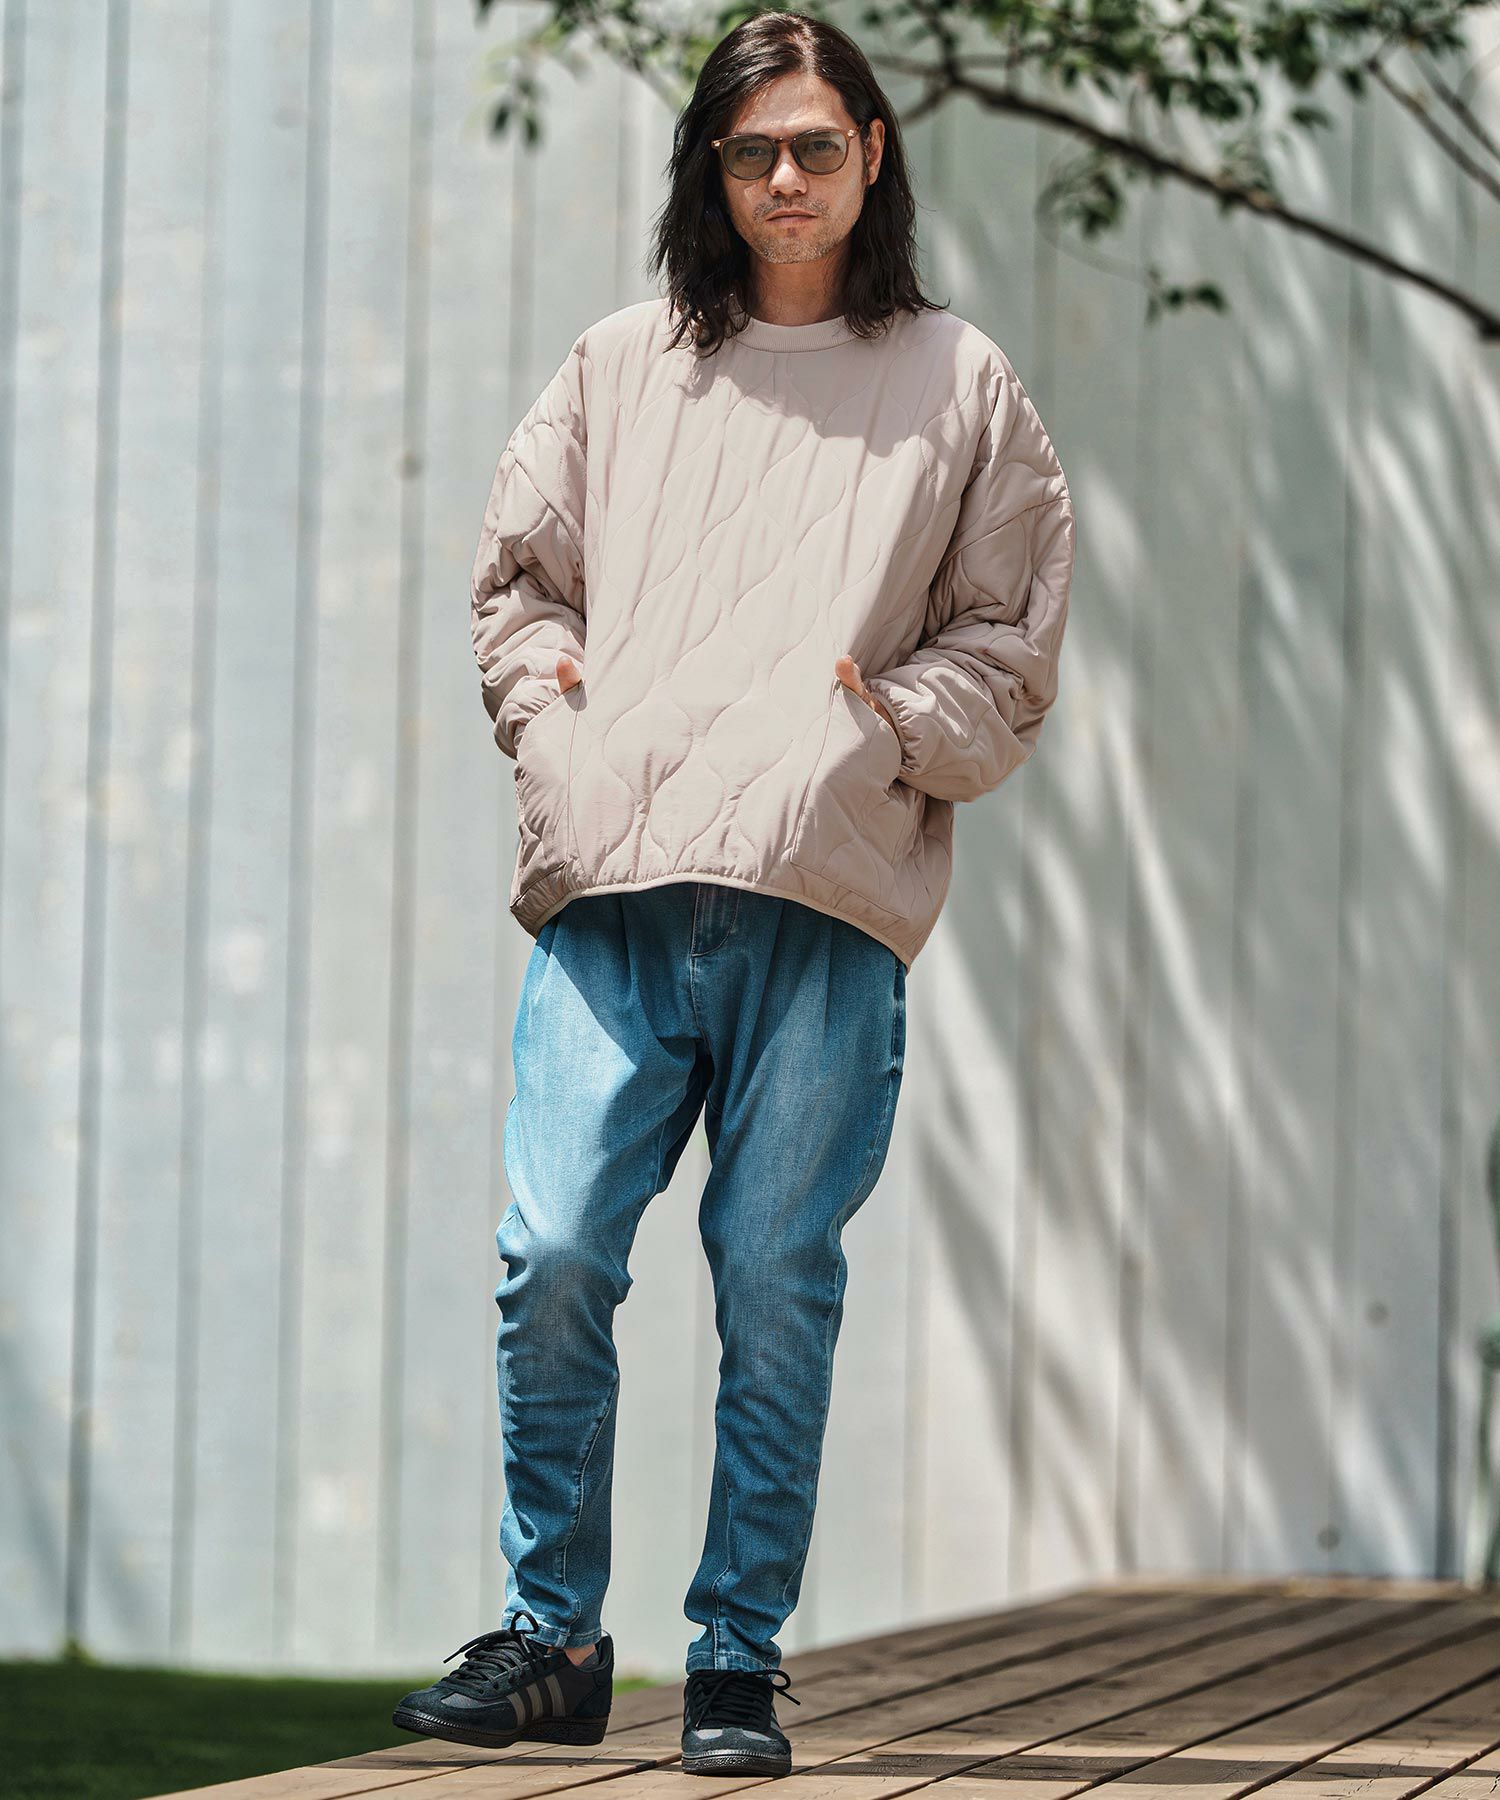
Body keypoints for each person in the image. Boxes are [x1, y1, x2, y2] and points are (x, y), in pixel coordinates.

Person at [393, 7, 1075, 1778]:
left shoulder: (960, 384)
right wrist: (558, 730)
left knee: (775, 1283)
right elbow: (519, 590)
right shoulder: (621, 367)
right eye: (754, 149)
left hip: (821, 902)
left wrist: (876, 732)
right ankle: (553, 1641)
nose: (786, 177)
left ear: (873, 156)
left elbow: (1007, 643)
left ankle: (733, 1662)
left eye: (817, 146)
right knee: (553, 1253)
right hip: (619, 888)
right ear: (714, 166)